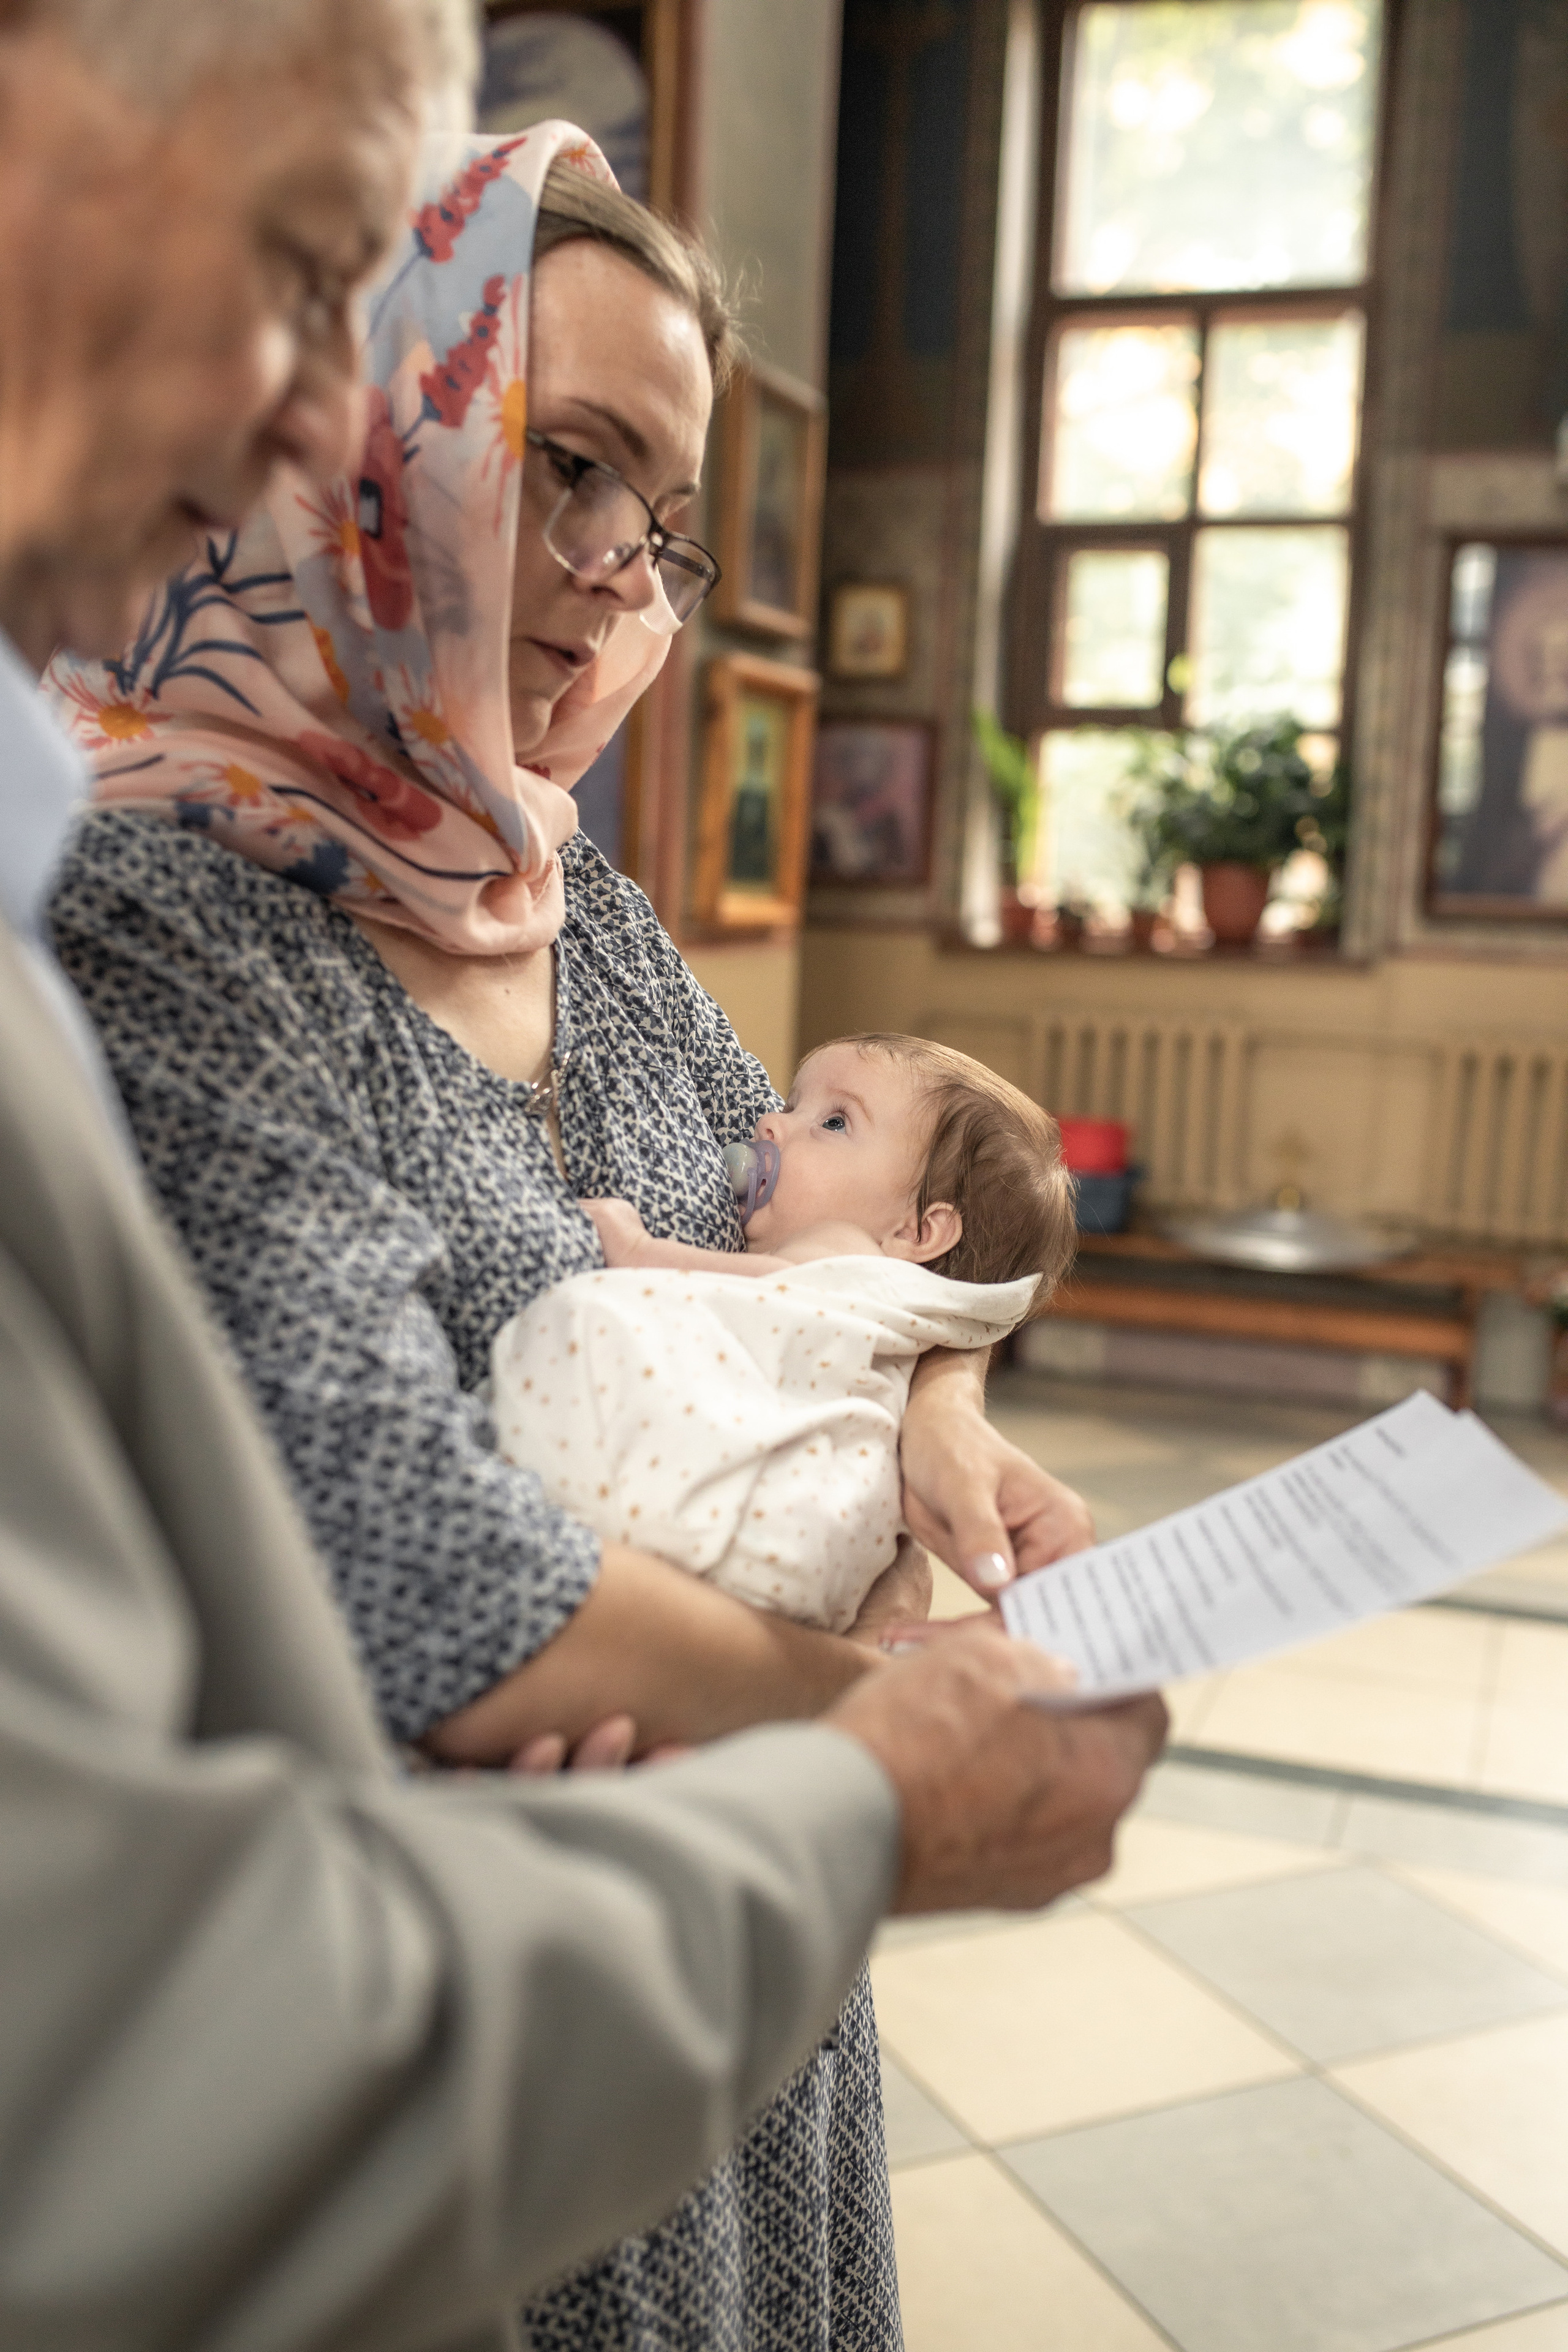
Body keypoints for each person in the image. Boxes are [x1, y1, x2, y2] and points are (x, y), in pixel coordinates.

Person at [16, 61, 1169, 2350]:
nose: (621, 572)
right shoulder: (158, 926)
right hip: (488, 2017)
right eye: (566, 464)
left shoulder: (579, 906)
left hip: (737, 1963)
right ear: (384, 417)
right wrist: (878, 1721)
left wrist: (936, 1406)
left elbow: (819, 1250)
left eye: (662, 511)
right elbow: (429, 1592)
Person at [492, 1033, 1076, 1635]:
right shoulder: (893, 1292)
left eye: (833, 1122)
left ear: (917, 1232)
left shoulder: (850, 1249)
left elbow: (773, 1286)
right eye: (793, 1104)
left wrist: (638, 1250)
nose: (770, 1122)